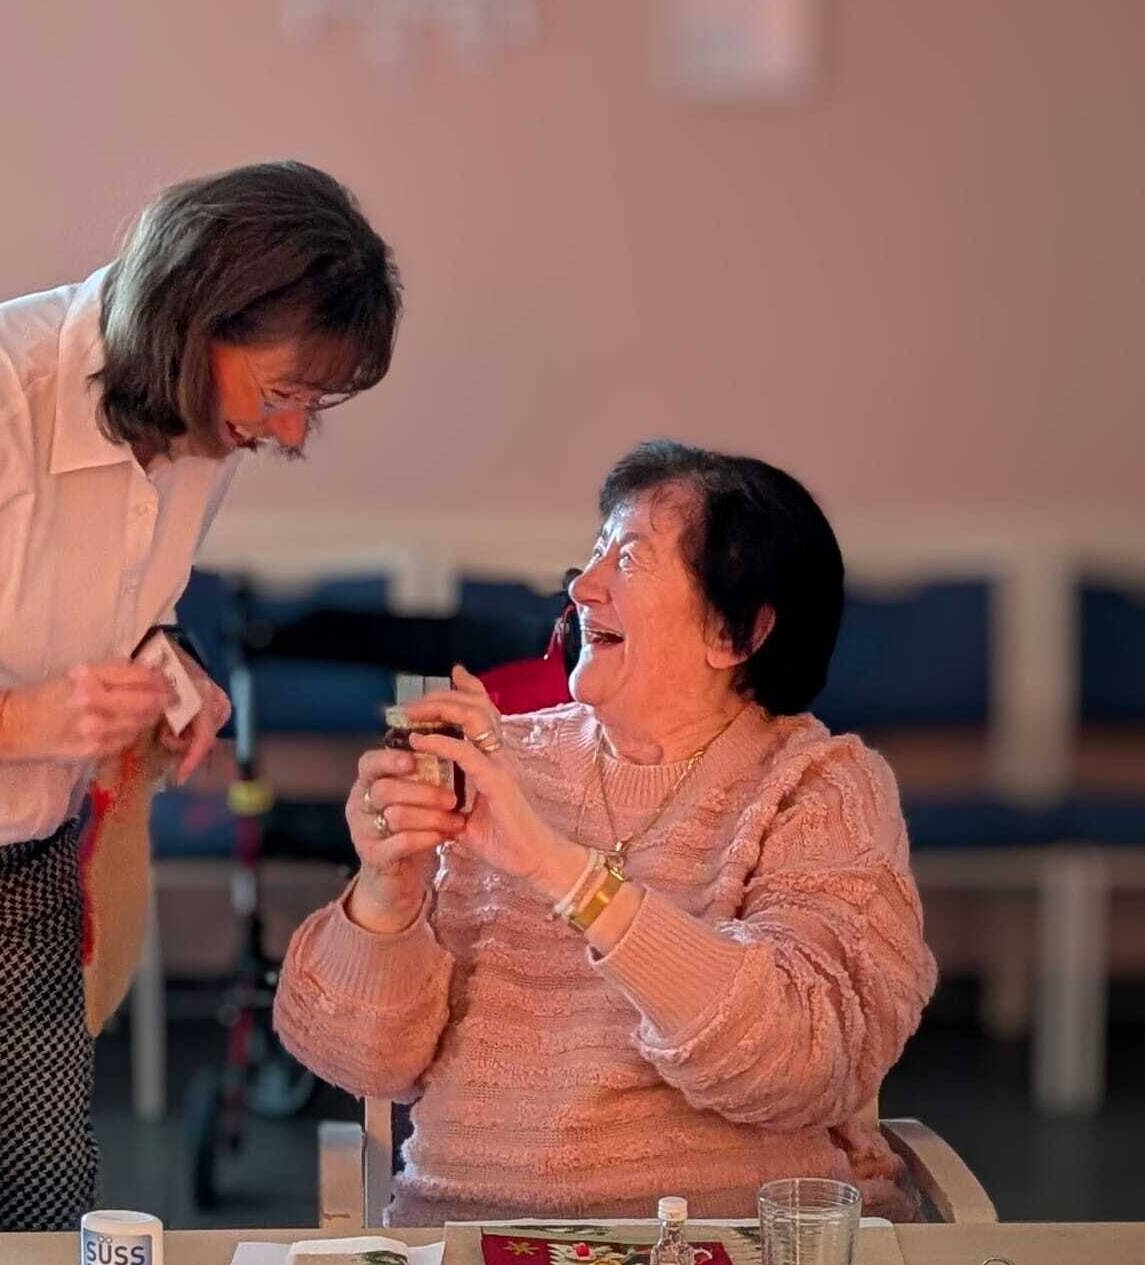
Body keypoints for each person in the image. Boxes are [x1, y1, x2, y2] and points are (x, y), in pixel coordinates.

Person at [0, 161, 401, 1230]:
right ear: (198, 319)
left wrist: (170, 674)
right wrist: (12, 722)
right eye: (287, 393)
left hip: (27, 858)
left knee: (40, 1206)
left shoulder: (202, 417)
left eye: (314, 403)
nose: (292, 433)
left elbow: (105, 602)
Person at [275, 440, 938, 1225]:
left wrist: (561, 871)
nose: (580, 587)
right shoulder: (495, 762)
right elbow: (358, 1060)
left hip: (730, 1233)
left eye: (628, 559)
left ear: (736, 633)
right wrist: (387, 890)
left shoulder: (819, 787)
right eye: (592, 555)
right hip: (467, 1231)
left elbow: (804, 1059)